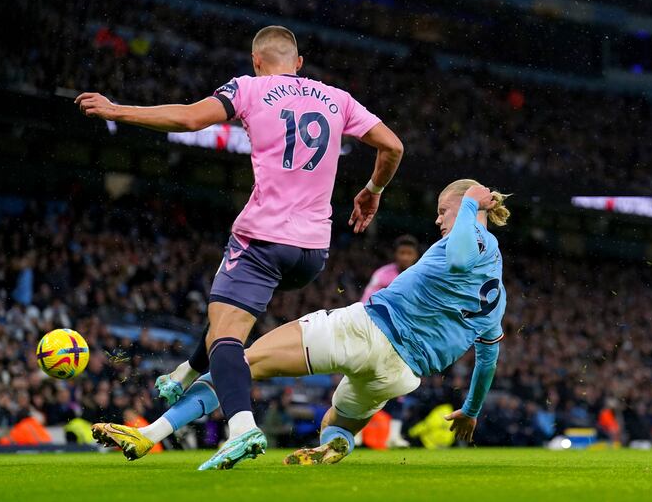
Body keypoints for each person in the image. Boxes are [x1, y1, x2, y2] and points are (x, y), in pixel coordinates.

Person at [77, 25, 404, 468]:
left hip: (263, 237)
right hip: (311, 253)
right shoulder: (337, 98)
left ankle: (241, 427)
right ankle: (183, 376)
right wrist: (373, 189)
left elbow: (190, 118)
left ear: (256, 61)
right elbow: (392, 145)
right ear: (299, 63)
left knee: (227, 335)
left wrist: (117, 110)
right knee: (224, 309)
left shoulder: (249, 89)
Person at [92, 179, 509, 469]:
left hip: (366, 330)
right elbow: (487, 359)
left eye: (443, 211)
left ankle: (149, 433)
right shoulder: (497, 289)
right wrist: (471, 410)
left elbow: (456, 255)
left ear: (464, 205)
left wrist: (470, 202)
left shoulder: (470, 236)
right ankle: (333, 448)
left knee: (240, 361)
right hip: (400, 374)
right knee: (334, 424)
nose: (438, 221)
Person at [359, 234, 420, 447]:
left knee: (400, 381)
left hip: (405, 337)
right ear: (396, 254)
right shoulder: (384, 274)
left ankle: (394, 435)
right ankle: (358, 432)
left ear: (415, 256)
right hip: (380, 333)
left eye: (409, 253)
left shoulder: (421, 275)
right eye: (401, 252)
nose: (405, 257)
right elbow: (366, 300)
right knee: (368, 379)